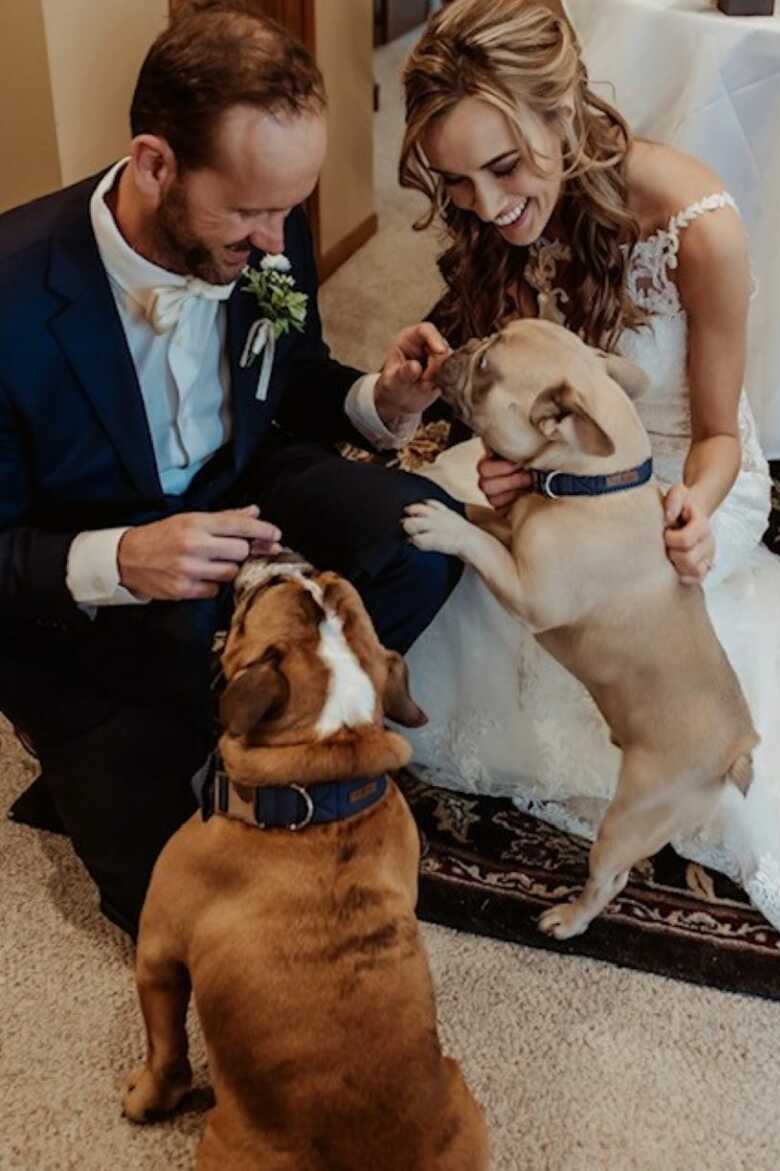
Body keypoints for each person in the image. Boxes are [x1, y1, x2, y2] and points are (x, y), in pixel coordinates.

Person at [396, 0, 780, 966]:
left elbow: (717, 433)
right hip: (573, 467)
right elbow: (532, 391)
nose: (490, 206)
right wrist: (516, 464)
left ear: (564, 109)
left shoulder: (696, 224)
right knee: (448, 533)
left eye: (504, 168)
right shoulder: (505, 218)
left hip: (684, 475)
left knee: (621, 614)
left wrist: (695, 508)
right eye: (458, 183)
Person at [0, 1, 460, 938]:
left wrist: (385, 402)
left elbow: (292, 384)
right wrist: (123, 559)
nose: (277, 245)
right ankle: (114, 742)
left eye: (289, 209)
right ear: (154, 163)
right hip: (90, 588)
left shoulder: (261, 250)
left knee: (426, 537)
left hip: (245, 492)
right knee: (184, 907)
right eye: (250, 210)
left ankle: (256, 714)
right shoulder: (9, 295)